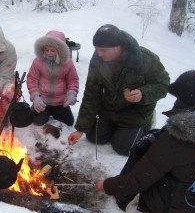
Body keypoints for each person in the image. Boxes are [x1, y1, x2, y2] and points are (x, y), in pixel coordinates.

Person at [95, 70, 195, 213]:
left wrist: (107, 185)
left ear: (187, 103)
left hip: (173, 212)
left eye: (179, 99)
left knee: (146, 143)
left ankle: (122, 200)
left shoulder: (174, 140)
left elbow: (136, 182)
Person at [68, 24, 170, 156]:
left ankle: (146, 124)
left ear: (118, 47)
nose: (99, 53)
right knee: (94, 137)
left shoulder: (145, 59)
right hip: (110, 109)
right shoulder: (98, 59)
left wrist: (143, 94)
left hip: (135, 113)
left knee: (123, 148)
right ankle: (116, 129)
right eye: (96, 49)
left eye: (103, 50)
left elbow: (164, 84)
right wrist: (80, 128)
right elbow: (92, 95)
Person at [27, 30, 79, 126]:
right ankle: (41, 110)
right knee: (37, 121)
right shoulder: (38, 61)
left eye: (52, 51)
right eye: (46, 50)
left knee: (69, 122)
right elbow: (32, 79)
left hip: (60, 101)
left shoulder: (68, 63)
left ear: (60, 50)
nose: (49, 53)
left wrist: (72, 93)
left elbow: (73, 81)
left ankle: (55, 111)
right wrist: (35, 96)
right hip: (42, 100)